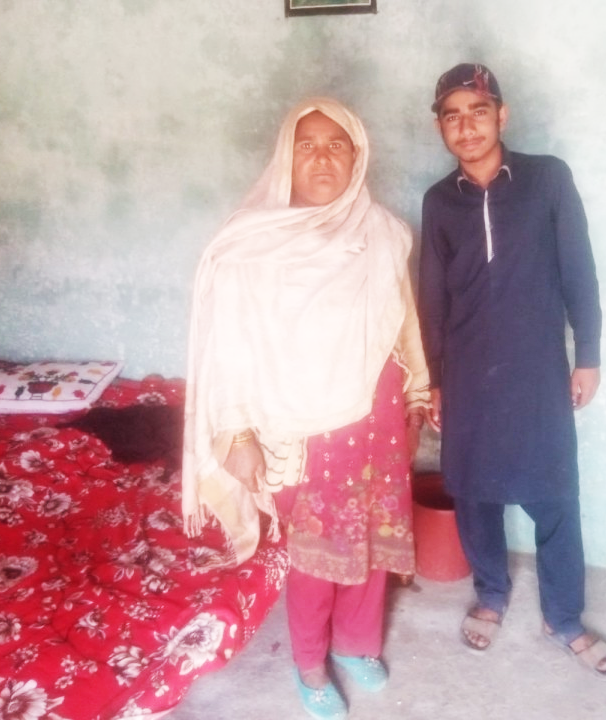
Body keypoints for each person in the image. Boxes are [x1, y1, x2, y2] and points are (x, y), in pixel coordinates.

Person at [182, 98, 431, 720]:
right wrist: (237, 432)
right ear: (285, 156)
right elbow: (231, 345)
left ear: (358, 156)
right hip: (300, 424)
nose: (322, 157)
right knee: (316, 552)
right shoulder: (250, 242)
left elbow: (405, 325)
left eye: (336, 144)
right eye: (307, 144)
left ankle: (355, 645)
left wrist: (418, 393)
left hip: (375, 415)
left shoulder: (386, 233)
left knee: (371, 539)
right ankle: (310, 662)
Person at [417, 63, 606, 678]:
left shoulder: (546, 180)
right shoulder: (438, 201)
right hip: (468, 369)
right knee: (475, 491)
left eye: (478, 110)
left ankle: (564, 618)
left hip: (536, 369)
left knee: (554, 494)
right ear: (440, 127)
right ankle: (492, 596)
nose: (466, 126)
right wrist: (434, 379)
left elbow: (579, 271)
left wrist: (588, 355)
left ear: (501, 115)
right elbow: (431, 298)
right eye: (452, 115)